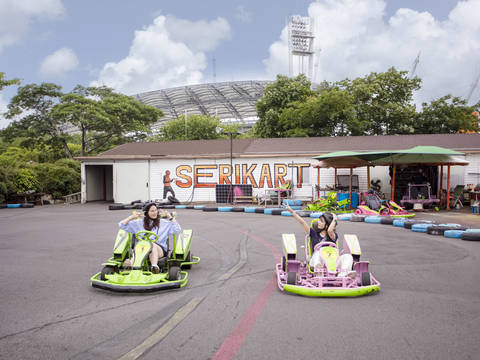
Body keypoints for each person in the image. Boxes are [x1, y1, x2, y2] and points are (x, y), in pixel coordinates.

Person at [284, 203, 354, 277]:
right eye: (319, 220)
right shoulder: (314, 234)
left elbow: (330, 230)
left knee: (348, 256)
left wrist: (335, 219)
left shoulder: (332, 236)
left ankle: (343, 274)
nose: (318, 222)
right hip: (316, 261)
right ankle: (319, 272)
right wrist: (291, 211)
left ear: (327, 225)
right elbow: (302, 222)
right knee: (318, 253)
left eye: (321, 221)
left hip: (333, 262)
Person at [119, 202, 181, 273]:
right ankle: (132, 267)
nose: (155, 213)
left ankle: (154, 267)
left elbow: (177, 229)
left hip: (159, 249)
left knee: (151, 244)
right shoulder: (139, 223)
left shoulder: (163, 223)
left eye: (155, 210)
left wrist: (170, 217)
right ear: (146, 213)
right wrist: (132, 217)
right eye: (152, 211)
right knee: (139, 245)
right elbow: (122, 225)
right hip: (142, 248)